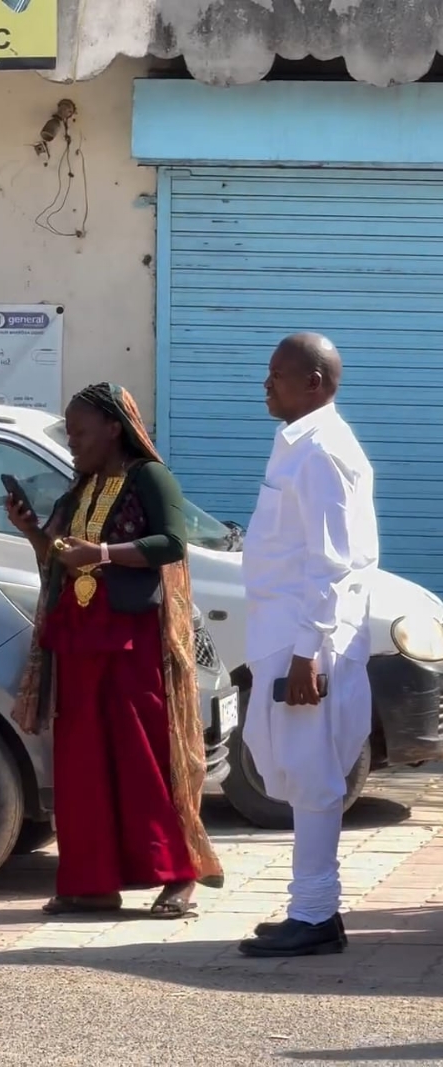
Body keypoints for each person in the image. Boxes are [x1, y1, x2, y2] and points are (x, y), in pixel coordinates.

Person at [7, 382, 223, 917]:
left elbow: (171, 543)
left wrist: (101, 551)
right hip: (79, 641)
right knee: (83, 765)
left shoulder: (150, 477)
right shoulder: (81, 488)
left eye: (80, 431)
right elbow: (59, 556)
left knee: (142, 757)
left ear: (112, 427)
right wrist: (33, 531)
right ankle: (93, 881)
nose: (73, 441)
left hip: (132, 643)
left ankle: (178, 875)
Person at [238, 334, 379, 958]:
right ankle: (310, 906)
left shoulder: (322, 452)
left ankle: (317, 915)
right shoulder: (298, 442)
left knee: (314, 777)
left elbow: (331, 565)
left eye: (278, 375)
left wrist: (305, 655)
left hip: (306, 641)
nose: (266, 385)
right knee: (294, 772)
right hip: (285, 633)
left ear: (314, 381)